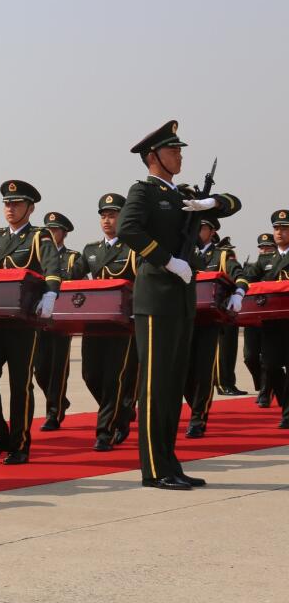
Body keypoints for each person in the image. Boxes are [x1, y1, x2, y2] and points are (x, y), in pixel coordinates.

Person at [118, 120, 240, 490]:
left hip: (182, 299)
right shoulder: (143, 191)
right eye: (173, 150)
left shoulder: (181, 194)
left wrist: (209, 202)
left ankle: (170, 462)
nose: (180, 155)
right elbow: (128, 229)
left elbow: (234, 204)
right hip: (156, 299)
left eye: (180, 150)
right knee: (155, 386)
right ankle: (154, 469)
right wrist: (168, 260)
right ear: (153, 156)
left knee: (173, 384)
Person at [0, 180, 62, 465]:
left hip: (23, 322)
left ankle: (19, 444)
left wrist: (51, 294)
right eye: (7, 203)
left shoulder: (38, 236)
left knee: (20, 384)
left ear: (30, 208)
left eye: (17, 203)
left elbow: (52, 266)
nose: (10, 208)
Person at [79, 192, 139, 451]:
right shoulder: (91, 250)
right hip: (94, 321)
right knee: (90, 374)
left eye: (112, 215)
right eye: (103, 216)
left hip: (123, 323)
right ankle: (123, 412)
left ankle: (105, 432)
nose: (107, 220)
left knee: (114, 377)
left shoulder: (134, 247)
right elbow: (76, 277)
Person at [183, 217, 243, 437]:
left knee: (202, 370)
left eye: (202, 228)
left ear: (212, 231)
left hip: (209, 321)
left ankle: (198, 417)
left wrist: (238, 293)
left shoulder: (222, 255)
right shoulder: (182, 251)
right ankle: (195, 408)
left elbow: (240, 276)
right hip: (183, 318)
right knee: (183, 372)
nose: (197, 231)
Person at [237, 213, 289, 428]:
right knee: (271, 365)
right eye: (276, 228)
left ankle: (287, 414)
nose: (279, 232)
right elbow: (248, 276)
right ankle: (285, 403)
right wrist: (239, 286)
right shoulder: (265, 260)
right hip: (272, 322)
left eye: (284, 228)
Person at [35, 212, 86, 431]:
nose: (51, 234)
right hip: (40, 320)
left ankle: (53, 414)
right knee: (40, 370)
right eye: (48, 230)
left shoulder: (73, 258)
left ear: (64, 233)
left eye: (55, 230)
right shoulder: (37, 256)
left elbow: (81, 287)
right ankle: (59, 401)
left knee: (58, 369)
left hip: (63, 322)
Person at [242, 233, 278, 407]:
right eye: (262, 247)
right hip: (253, 319)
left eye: (268, 247)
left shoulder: (279, 266)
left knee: (268, 359)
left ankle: (265, 391)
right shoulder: (253, 267)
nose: (264, 251)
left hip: (272, 319)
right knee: (250, 357)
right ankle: (262, 385)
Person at [213, 235, 245, 396]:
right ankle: (223, 383)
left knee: (228, 349)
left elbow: (237, 276)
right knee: (224, 350)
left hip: (226, 308)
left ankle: (226, 383)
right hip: (216, 309)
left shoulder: (223, 256)